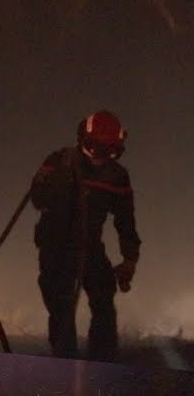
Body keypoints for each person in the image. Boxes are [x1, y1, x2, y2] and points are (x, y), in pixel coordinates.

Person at [29, 109, 140, 362]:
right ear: (83, 140)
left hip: (90, 247)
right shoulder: (60, 161)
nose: (101, 158)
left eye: (110, 152)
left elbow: (126, 221)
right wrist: (58, 185)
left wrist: (129, 259)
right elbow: (37, 198)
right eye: (95, 148)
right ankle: (65, 369)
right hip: (55, 246)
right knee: (61, 312)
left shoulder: (117, 176)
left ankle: (102, 367)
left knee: (104, 305)